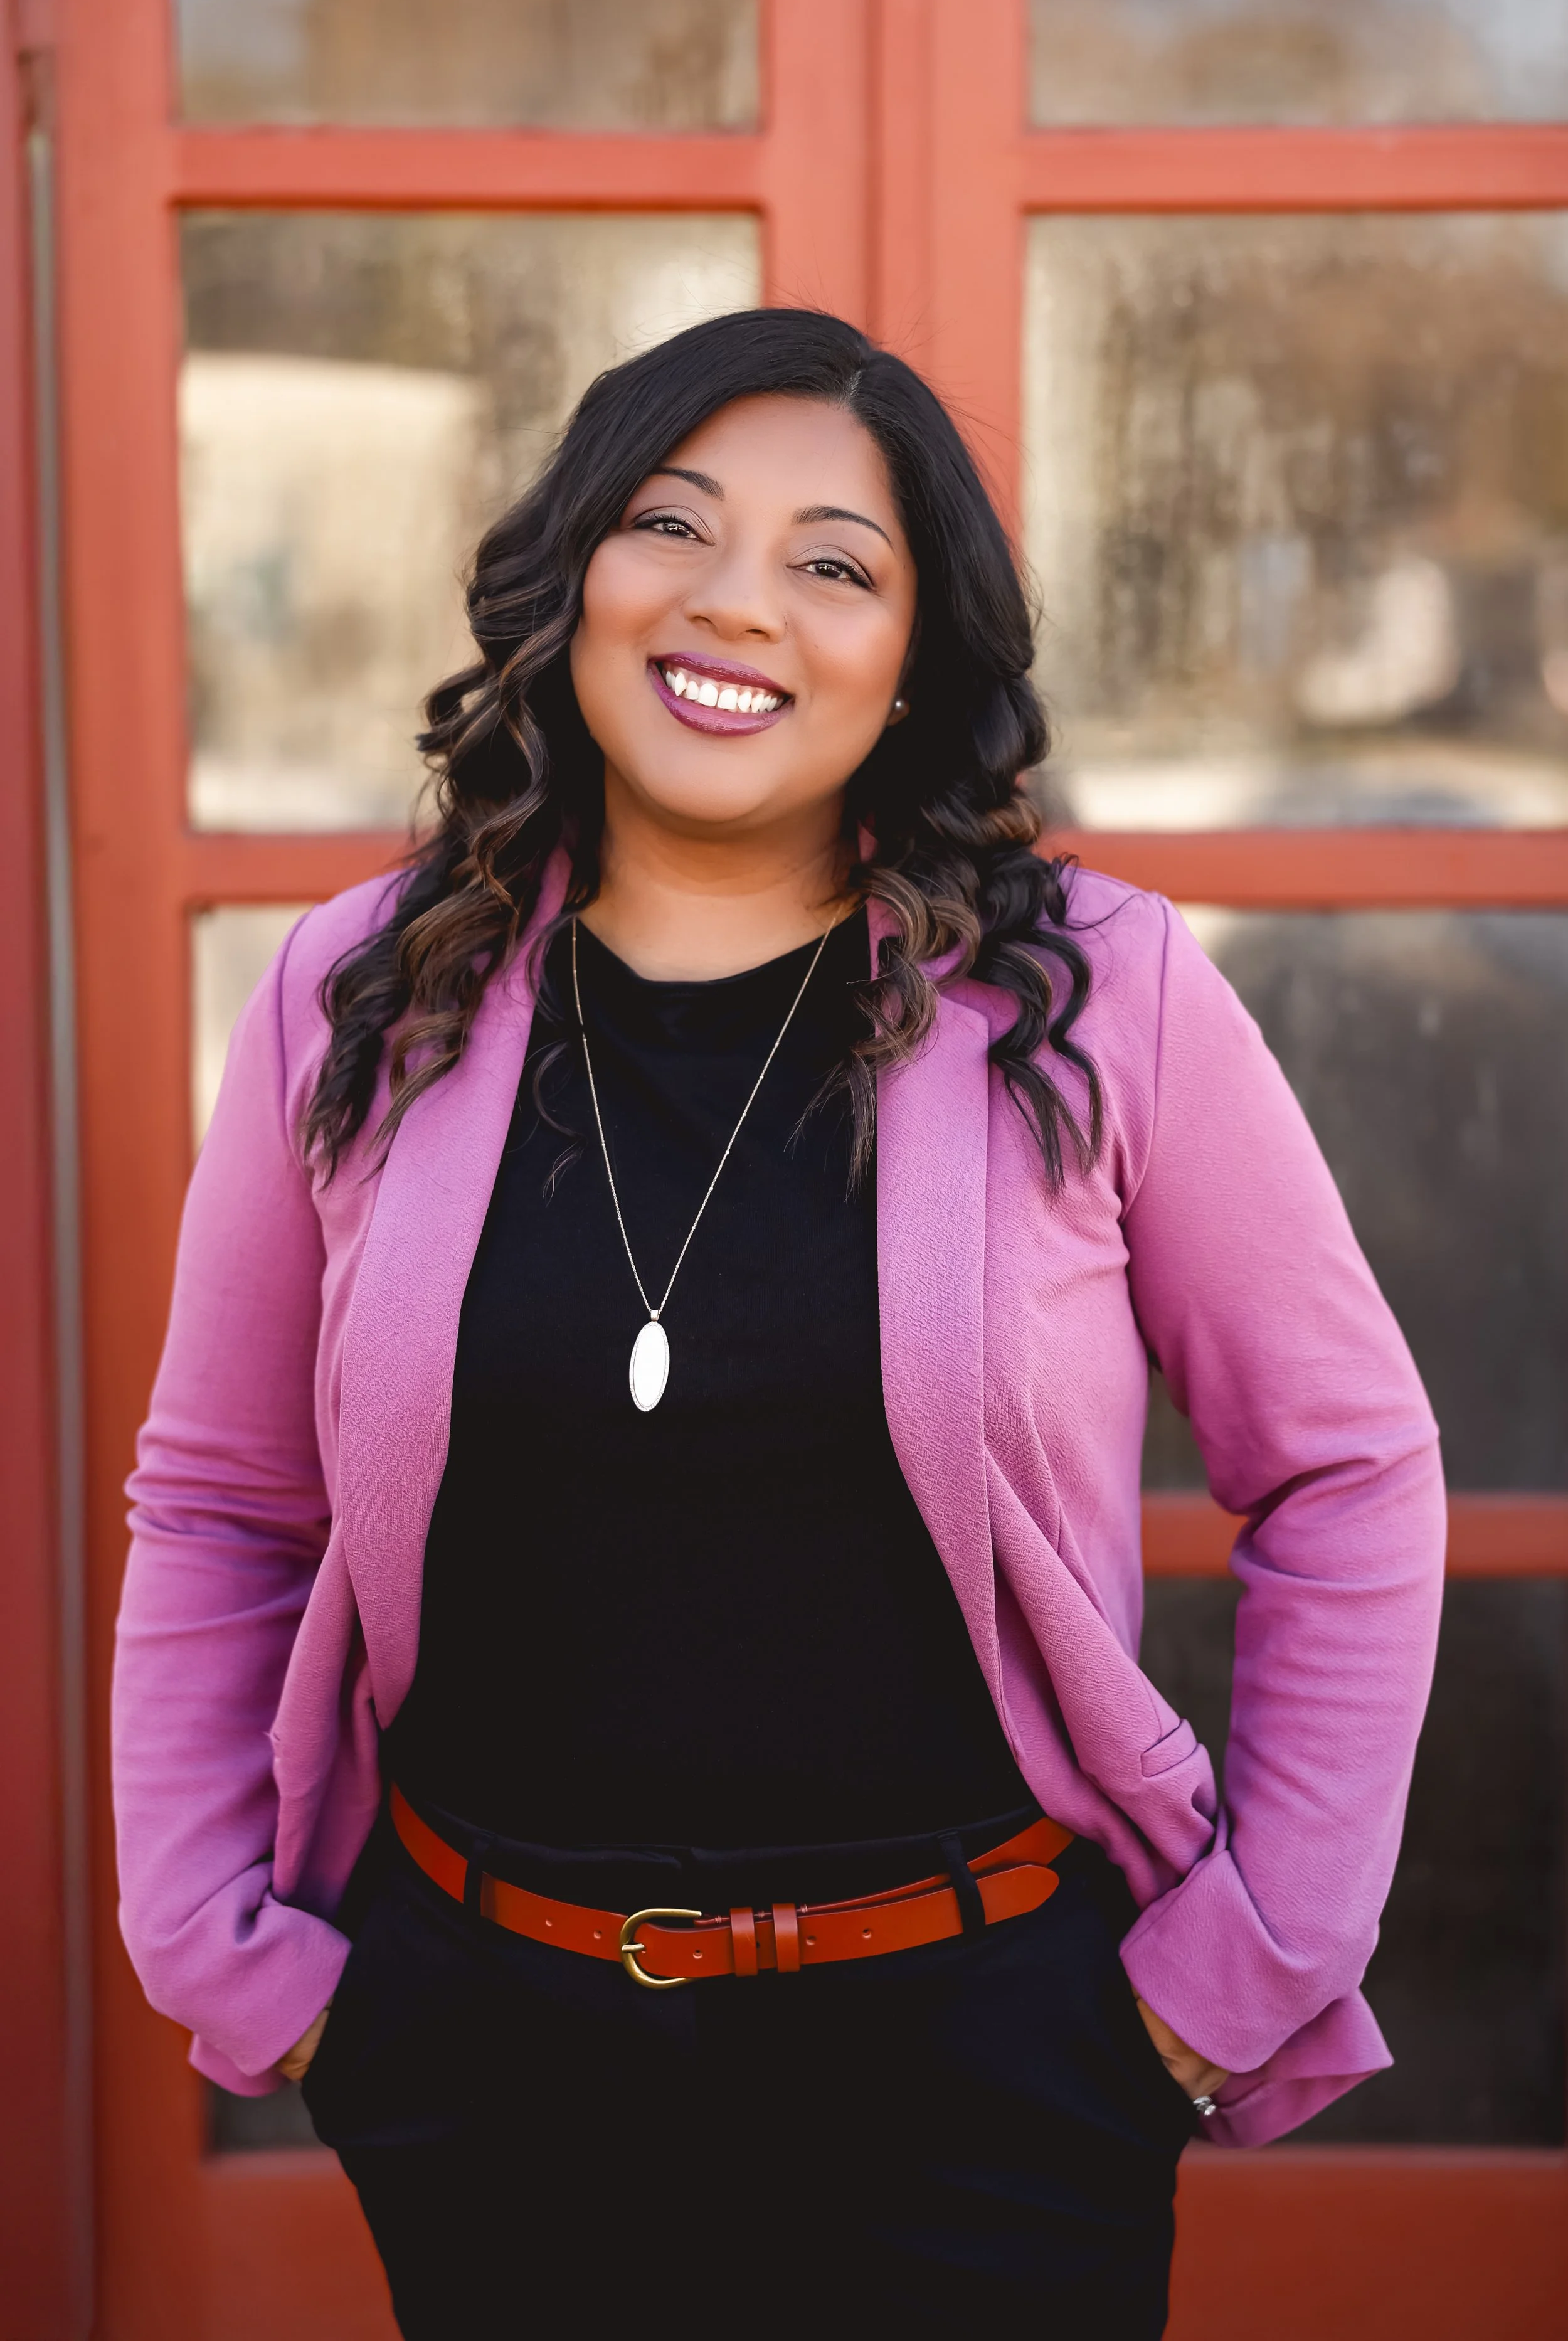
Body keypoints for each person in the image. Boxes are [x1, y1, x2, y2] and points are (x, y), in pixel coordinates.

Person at [113, 309, 1444, 2337]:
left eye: (834, 561)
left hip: (996, 2065)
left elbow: (1346, 1469)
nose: (737, 602)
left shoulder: (1097, 994)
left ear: (914, 658)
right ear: (574, 580)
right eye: (672, 523)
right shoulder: (360, 993)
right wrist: (247, 1968)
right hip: (488, 2067)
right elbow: (220, 1499)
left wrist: (1221, 1987)